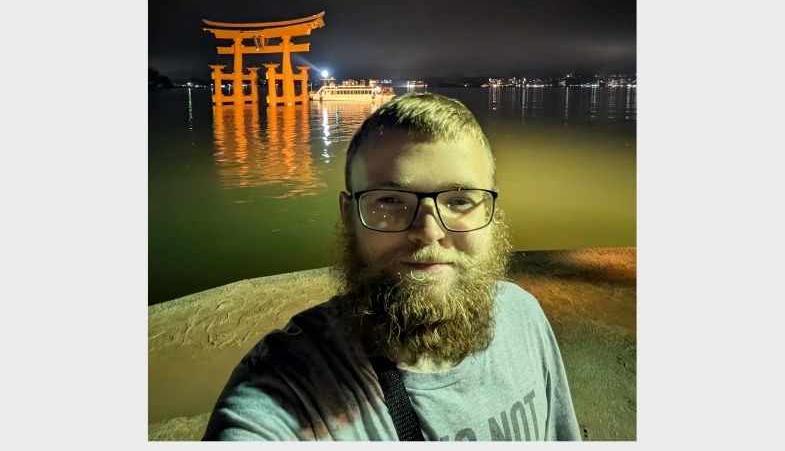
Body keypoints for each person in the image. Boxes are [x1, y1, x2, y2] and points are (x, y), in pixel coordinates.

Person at [202, 92, 581, 441]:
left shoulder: (524, 316)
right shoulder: (287, 389)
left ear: (492, 212)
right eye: (389, 201)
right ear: (348, 216)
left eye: (461, 201)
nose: (429, 232)